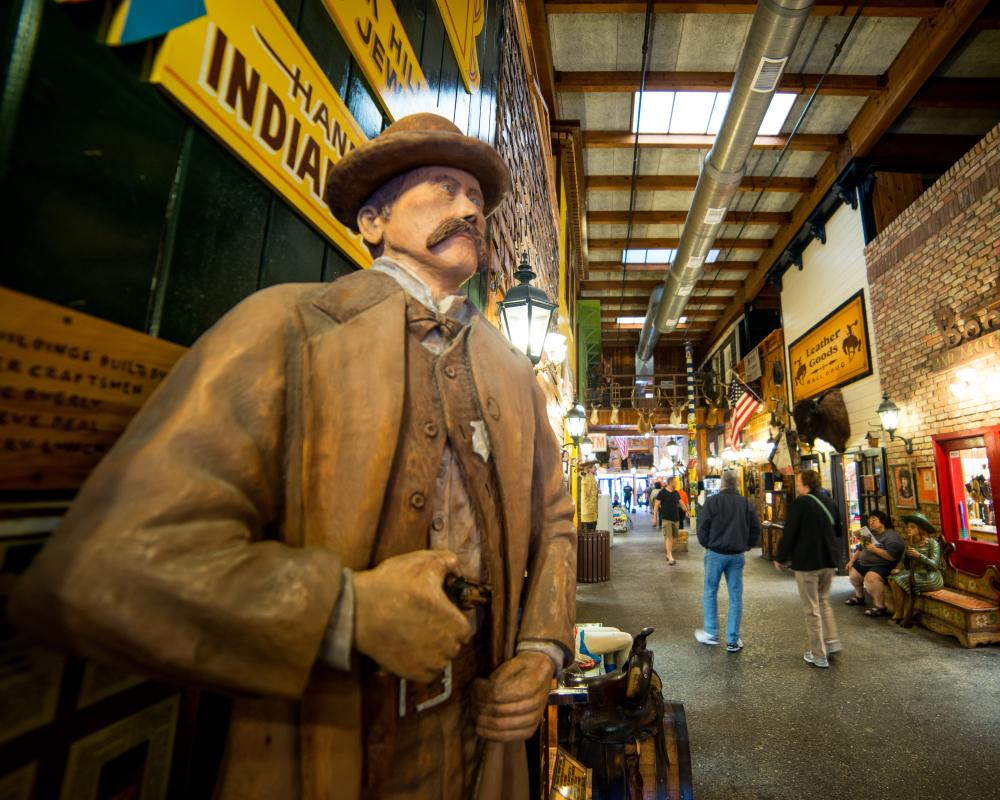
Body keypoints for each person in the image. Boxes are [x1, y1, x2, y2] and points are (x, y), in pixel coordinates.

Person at [10, 113, 576, 799]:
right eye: (442, 186)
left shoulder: (511, 372)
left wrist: (543, 650)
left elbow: (555, 523)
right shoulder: (285, 327)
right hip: (323, 749)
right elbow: (104, 565)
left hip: (484, 752)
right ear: (373, 221)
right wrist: (346, 610)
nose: (469, 210)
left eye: (477, 202)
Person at [774, 469, 841, 668]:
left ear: (805, 484)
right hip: (828, 561)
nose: (797, 485)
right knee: (823, 601)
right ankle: (832, 641)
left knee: (811, 608)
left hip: (807, 563)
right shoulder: (830, 502)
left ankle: (818, 654)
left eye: (799, 482)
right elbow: (838, 530)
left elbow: (790, 533)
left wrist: (780, 556)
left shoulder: (800, 504)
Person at [694, 470, 762, 653]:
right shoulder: (745, 504)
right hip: (736, 555)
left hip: (715, 553)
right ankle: (732, 639)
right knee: (735, 597)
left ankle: (710, 632)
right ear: (737, 484)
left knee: (710, 591)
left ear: (722, 484)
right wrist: (747, 545)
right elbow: (756, 528)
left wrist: (707, 544)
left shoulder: (712, 502)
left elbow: (702, 526)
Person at [846, 509, 904, 616]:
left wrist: (875, 549)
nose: (870, 522)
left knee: (871, 578)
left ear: (883, 522)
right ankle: (859, 597)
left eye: (874, 520)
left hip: (883, 565)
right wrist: (852, 561)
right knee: (853, 574)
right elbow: (860, 549)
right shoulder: (869, 533)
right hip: (866, 564)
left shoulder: (891, 537)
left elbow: (892, 557)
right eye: (869, 520)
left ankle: (880, 607)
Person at [888, 512, 944, 623]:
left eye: (912, 527)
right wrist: (898, 568)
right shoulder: (911, 543)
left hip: (930, 576)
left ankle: (900, 613)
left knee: (897, 580)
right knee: (891, 578)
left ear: (921, 529)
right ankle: (900, 611)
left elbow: (934, 565)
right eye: (908, 527)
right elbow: (903, 561)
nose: (908, 529)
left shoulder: (932, 544)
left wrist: (919, 556)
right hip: (915, 573)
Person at [654, 476, 684, 565]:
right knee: (668, 536)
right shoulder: (662, 493)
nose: (676, 484)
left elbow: (681, 502)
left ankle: (668, 553)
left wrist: (686, 510)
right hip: (666, 518)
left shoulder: (676, 493)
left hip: (676, 518)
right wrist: (654, 517)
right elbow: (656, 506)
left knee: (674, 537)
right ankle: (670, 555)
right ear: (671, 482)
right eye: (675, 482)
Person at [580, 462, 599, 532]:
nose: (596, 468)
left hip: (593, 510)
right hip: (588, 509)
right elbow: (586, 493)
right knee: (588, 530)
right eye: (594, 467)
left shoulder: (592, 477)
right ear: (589, 469)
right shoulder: (587, 478)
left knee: (593, 528)